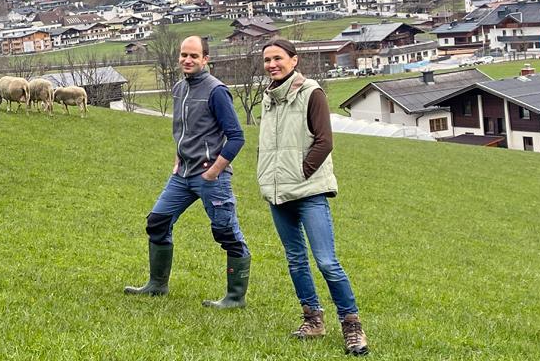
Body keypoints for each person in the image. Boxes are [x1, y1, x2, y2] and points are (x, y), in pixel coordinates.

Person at [257, 38, 368, 356]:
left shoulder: (311, 93)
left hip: (308, 192)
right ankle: (313, 319)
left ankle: (352, 325)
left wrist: (301, 173)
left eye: (278, 58)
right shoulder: (269, 98)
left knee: (326, 261)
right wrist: (267, 178)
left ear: (294, 60)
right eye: (267, 60)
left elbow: (324, 141)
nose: (271, 65)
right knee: (295, 260)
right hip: (278, 194)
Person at [125, 35, 250, 309]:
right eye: (184, 55)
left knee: (226, 233)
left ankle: (235, 297)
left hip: (209, 176)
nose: (187, 60)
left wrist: (214, 171)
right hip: (181, 176)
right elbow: (184, 131)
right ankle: (157, 285)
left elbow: (237, 137)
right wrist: (177, 160)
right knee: (157, 222)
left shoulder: (217, 91)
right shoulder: (179, 88)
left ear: (205, 59)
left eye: (194, 55)